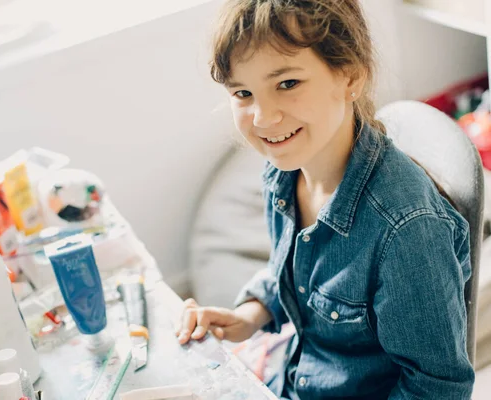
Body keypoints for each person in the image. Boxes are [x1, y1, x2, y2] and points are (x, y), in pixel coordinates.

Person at [175, 0, 475, 398]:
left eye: (287, 84)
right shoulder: (283, 171)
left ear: (350, 75)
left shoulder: (406, 231)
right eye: (243, 92)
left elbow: (438, 387)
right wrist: (249, 315)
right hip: (294, 374)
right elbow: (296, 272)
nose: (263, 118)